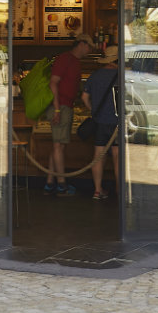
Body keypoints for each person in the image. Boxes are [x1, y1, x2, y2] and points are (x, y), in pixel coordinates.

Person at [45, 37, 89, 196]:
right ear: (82, 44)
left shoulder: (74, 61)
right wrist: (57, 109)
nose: (90, 50)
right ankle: (62, 184)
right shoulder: (65, 59)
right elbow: (53, 82)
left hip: (65, 106)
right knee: (59, 146)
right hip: (61, 106)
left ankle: (50, 182)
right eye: (89, 46)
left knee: (58, 145)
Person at [81, 46, 123, 200]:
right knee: (118, 156)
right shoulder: (121, 76)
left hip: (100, 122)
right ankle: (120, 190)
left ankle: (98, 190)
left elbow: (84, 97)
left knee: (98, 155)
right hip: (117, 122)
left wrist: (93, 110)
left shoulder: (95, 75)